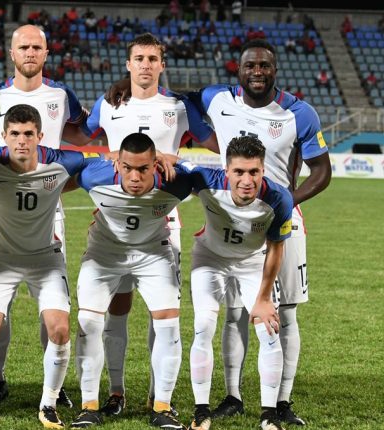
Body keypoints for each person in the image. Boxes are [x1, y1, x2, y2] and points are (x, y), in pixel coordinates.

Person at [73, 33, 217, 420]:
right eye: (139, 58)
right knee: (115, 311)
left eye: (153, 59)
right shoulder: (109, 103)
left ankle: (158, 397)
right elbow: (79, 138)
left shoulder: (178, 106)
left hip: (161, 219)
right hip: (114, 219)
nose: (146, 65)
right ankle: (115, 393)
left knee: (162, 314)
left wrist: (176, 159)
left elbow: (217, 145)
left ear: (162, 65)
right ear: (128, 64)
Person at [191, 39, 330, 426]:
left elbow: (322, 172)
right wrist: (125, 84)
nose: (257, 72)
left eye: (264, 66)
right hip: (234, 221)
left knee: (284, 314)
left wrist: (282, 202)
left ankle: (282, 402)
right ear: (238, 69)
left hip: (285, 224)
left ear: (275, 70)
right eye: (250, 65)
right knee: (235, 312)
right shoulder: (217, 99)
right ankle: (232, 396)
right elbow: (179, 102)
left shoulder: (299, 113)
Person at [0, 24, 89, 408]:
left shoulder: (62, 95)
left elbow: (83, 136)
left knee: (51, 304)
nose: (30, 53)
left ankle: (55, 383)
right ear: (12, 53)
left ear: (46, 53)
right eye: (24, 48)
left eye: (37, 47)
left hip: (50, 213)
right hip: (2, 212)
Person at [68, 133, 194, 430]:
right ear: (117, 165)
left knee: (168, 325)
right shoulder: (96, 176)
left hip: (153, 253)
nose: (135, 177)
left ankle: (162, 406)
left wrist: (174, 159)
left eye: (143, 169)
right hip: (105, 253)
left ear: (155, 165)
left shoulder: (177, 181)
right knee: (89, 322)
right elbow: (65, 164)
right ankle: (91, 405)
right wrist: (106, 156)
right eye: (127, 168)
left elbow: (206, 174)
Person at [180, 136, 293, 430]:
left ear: (263, 170)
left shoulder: (279, 198)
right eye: (239, 172)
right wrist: (166, 158)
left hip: (253, 262)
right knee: (203, 325)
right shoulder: (205, 179)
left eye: (254, 172)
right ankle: (201, 412)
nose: (246, 180)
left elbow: (277, 248)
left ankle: (269, 415)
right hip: (210, 258)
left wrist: (263, 299)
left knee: (269, 329)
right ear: (226, 170)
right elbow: (177, 165)